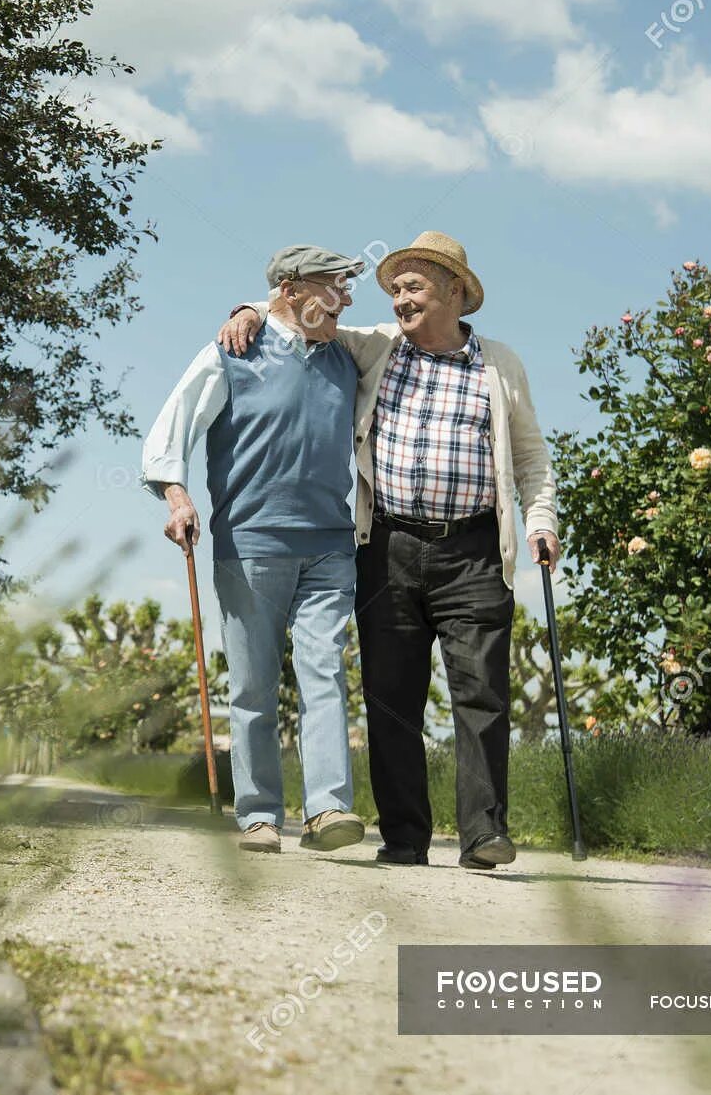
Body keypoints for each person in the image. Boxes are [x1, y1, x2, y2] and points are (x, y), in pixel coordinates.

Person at [217, 231, 558, 869]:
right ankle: (404, 838)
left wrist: (540, 520)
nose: (399, 299)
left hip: (476, 550)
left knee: (482, 692)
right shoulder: (374, 346)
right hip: (389, 545)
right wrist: (249, 308)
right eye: (394, 288)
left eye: (413, 287)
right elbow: (300, 311)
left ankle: (484, 833)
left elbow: (532, 457)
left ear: (455, 291)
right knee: (390, 697)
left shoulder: (500, 365)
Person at [142, 245, 367, 854]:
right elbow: (171, 427)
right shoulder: (232, 352)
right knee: (253, 685)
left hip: (329, 542)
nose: (347, 299)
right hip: (251, 540)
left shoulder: (347, 354)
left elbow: (402, 329)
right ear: (292, 289)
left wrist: (253, 305)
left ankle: (327, 810)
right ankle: (260, 814)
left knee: (325, 671)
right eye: (335, 286)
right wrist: (177, 498)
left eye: (349, 288)